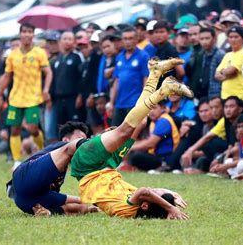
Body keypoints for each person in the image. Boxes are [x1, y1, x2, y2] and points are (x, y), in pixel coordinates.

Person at [70, 58, 190, 220]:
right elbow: (147, 192)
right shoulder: (133, 205)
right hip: (103, 166)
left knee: (125, 131)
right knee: (141, 121)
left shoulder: (128, 209)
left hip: (88, 166)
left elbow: (145, 192)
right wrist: (168, 195)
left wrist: (169, 207)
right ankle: (155, 73)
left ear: (145, 205)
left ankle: (164, 90)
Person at [0, 23, 53, 170]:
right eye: (24, 31)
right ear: (20, 34)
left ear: (33, 34)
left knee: (32, 128)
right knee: (15, 129)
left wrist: (46, 90)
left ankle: (41, 151)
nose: (27, 34)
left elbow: (48, 73)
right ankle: (17, 161)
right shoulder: (13, 55)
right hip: (15, 97)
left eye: (30, 31)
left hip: (33, 97)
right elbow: (7, 76)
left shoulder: (39, 53)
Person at [6, 121, 98, 216]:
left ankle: (46, 212)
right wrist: (101, 140)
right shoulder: (60, 146)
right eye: (81, 138)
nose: (84, 144)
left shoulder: (62, 166)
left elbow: (53, 195)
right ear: (66, 139)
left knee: (82, 207)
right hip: (24, 179)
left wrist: (87, 201)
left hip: (29, 201)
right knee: (81, 203)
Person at [181, 96, 243, 174]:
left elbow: (207, 138)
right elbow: (231, 146)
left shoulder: (239, 121)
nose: (214, 111)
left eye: (216, 107)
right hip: (229, 154)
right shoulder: (226, 122)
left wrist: (190, 151)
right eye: (226, 107)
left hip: (242, 157)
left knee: (214, 143)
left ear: (240, 109)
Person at [110, 27, 150, 126]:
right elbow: (116, 81)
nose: (128, 41)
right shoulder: (119, 57)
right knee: (114, 133)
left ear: (136, 39)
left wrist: (143, 102)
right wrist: (111, 102)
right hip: (120, 103)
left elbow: (146, 79)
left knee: (132, 136)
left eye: (131, 38)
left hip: (134, 103)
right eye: (125, 38)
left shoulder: (143, 56)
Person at [128, 101, 180, 171]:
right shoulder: (154, 121)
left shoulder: (164, 121)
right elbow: (146, 141)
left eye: (154, 108)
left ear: (163, 108)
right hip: (157, 156)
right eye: (149, 109)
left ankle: (162, 167)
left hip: (166, 159)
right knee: (134, 152)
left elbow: (150, 143)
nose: (151, 111)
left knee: (135, 156)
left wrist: (129, 148)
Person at [209, 113, 243, 178]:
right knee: (229, 161)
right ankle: (232, 175)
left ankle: (242, 176)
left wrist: (225, 166)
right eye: (239, 127)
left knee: (242, 165)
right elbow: (241, 158)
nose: (240, 129)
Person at [215, 26, 243, 108]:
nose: (233, 39)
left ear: (242, 38)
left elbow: (231, 70)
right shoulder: (228, 55)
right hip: (226, 97)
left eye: (236, 37)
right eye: (230, 37)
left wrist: (225, 72)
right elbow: (217, 74)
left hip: (241, 97)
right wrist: (228, 73)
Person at [199, 27, 225, 99]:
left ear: (214, 39)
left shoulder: (220, 54)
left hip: (216, 94)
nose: (204, 42)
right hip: (204, 93)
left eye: (207, 38)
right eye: (202, 39)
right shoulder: (202, 54)